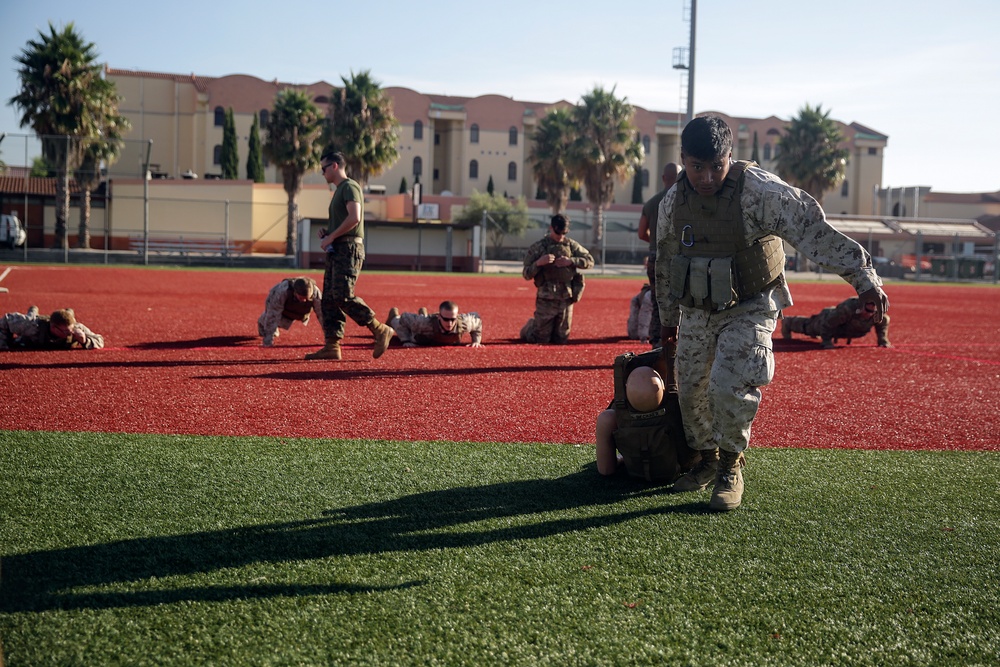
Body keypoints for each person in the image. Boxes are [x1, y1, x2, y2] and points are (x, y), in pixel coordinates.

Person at [655, 115, 889, 511]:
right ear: (683, 159)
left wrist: (864, 278)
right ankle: (708, 461)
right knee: (691, 389)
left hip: (750, 304)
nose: (707, 177)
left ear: (730, 155)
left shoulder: (759, 192)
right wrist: (667, 319)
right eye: (697, 167)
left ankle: (731, 466)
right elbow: (664, 260)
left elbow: (813, 231)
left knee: (728, 383)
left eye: (717, 165)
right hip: (697, 306)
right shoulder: (673, 202)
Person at [305, 150, 393, 361]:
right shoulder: (339, 191)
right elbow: (347, 220)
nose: (322, 172)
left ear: (335, 166)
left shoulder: (350, 187)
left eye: (324, 168)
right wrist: (329, 233)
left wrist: (331, 236)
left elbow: (355, 217)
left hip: (349, 249)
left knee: (343, 295)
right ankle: (332, 345)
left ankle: (380, 329)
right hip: (339, 248)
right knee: (329, 299)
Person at [595, 347, 694, 481]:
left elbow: (605, 470)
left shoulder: (609, 419)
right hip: (682, 465)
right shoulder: (681, 408)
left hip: (634, 469)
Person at [519, 214, 594, 344]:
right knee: (540, 339)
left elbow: (590, 261)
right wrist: (539, 263)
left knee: (561, 340)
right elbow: (526, 274)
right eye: (558, 232)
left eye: (563, 233)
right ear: (551, 228)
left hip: (566, 298)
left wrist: (571, 261)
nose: (560, 236)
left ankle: (545, 328)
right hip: (546, 299)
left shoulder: (571, 246)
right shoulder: (539, 247)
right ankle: (529, 327)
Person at [637, 163, 681, 347]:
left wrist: (655, 243)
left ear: (663, 178)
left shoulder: (652, 202)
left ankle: (656, 340)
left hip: (656, 256)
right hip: (679, 257)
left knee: (657, 300)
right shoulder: (683, 200)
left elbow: (641, 233)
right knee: (682, 300)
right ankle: (679, 340)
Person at [781, 296, 891, 349]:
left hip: (844, 330)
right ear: (862, 306)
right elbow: (827, 324)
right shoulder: (848, 309)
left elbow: (882, 325)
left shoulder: (878, 316)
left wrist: (883, 341)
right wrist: (827, 341)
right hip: (828, 319)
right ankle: (788, 322)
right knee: (809, 327)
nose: (869, 314)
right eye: (867, 310)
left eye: (873, 311)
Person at [257, 276, 322, 347]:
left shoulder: (315, 293)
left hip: (300, 312)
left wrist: (330, 338)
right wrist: (268, 340)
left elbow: (322, 314)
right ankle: (262, 321)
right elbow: (273, 314)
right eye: (301, 298)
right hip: (280, 308)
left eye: (306, 298)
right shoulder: (282, 290)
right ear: (295, 292)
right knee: (274, 318)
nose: (304, 301)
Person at [0, 306, 104, 350]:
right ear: (54, 328)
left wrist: (85, 341)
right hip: (35, 320)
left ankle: (69, 311)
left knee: (69, 313)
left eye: (71, 330)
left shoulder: (76, 328)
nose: (70, 333)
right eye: (66, 331)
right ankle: (33, 308)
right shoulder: (32, 325)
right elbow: (5, 321)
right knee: (32, 314)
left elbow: (99, 340)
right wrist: (4, 342)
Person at [386, 300, 483, 347]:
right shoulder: (424, 323)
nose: (449, 323)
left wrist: (476, 341)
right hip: (419, 328)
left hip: (424, 325)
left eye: (453, 319)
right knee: (401, 324)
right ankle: (393, 316)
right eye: (445, 319)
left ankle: (423, 313)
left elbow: (477, 319)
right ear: (439, 317)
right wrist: (405, 340)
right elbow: (405, 318)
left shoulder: (464, 323)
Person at [626, 278, 654, 343]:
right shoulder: (648, 296)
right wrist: (643, 337)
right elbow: (644, 317)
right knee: (634, 335)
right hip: (644, 298)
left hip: (647, 295)